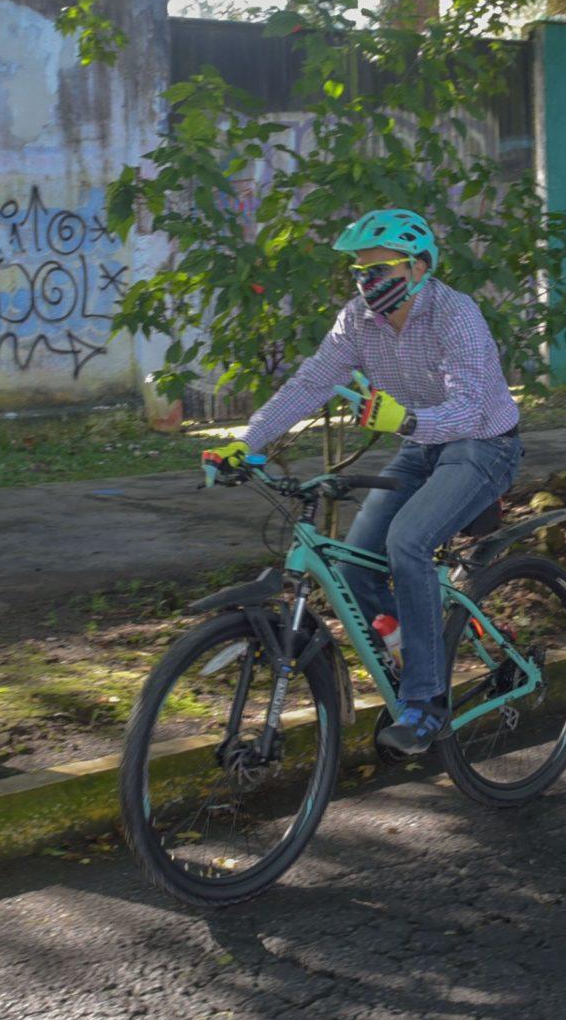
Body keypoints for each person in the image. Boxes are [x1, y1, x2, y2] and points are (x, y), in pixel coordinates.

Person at [198, 208, 525, 757]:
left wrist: (408, 421)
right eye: (360, 272)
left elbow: (470, 408)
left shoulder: (456, 314)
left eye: (380, 270)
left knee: (408, 542)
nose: (366, 283)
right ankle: (411, 645)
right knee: (352, 566)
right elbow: (311, 383)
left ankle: (426, 705)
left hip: (482, 445)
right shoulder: (358, 321)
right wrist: (246, 442)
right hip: (420, 446)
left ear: (419, 267)